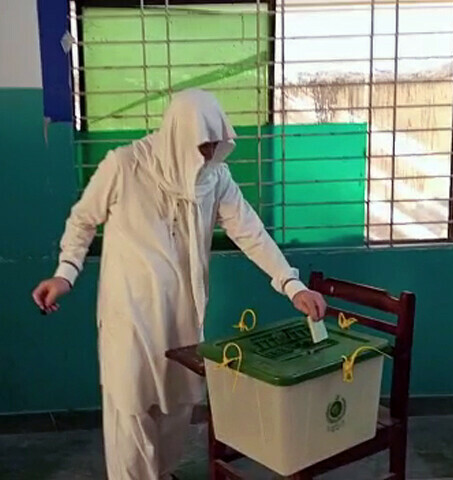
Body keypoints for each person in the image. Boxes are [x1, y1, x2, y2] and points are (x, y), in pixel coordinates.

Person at [32, 89, 327, 479]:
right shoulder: (124, 166)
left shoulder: (215, 178)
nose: (207, 154)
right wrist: (66, 271)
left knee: (176, 407)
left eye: (213, 145)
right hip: (130, 316)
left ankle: (162, 472)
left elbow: (250, 231)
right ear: (177, 137)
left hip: (183, 314)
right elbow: (83, 220)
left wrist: (292, 285)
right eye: (201, 145)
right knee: (130, 408)